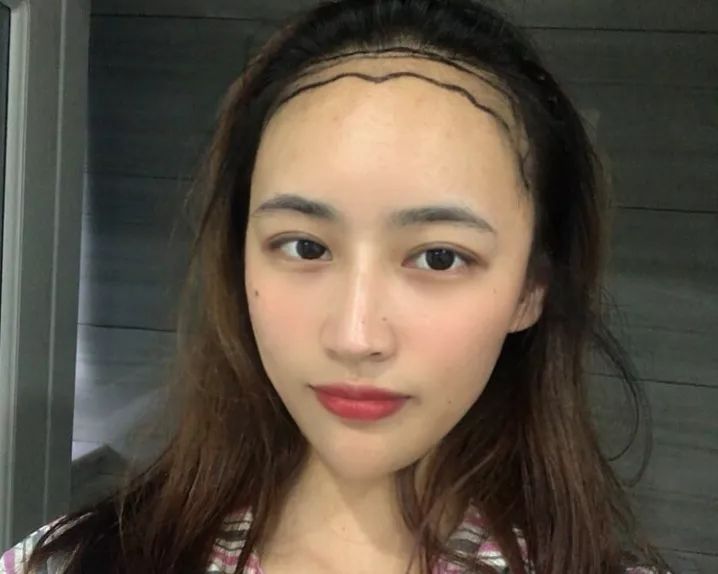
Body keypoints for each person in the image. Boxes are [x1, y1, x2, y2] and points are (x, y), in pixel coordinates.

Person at [1, 0, 673, 572]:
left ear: (531, 289)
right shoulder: (68, 563)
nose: (355, 336)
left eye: (439, 257)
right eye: (304, 246)